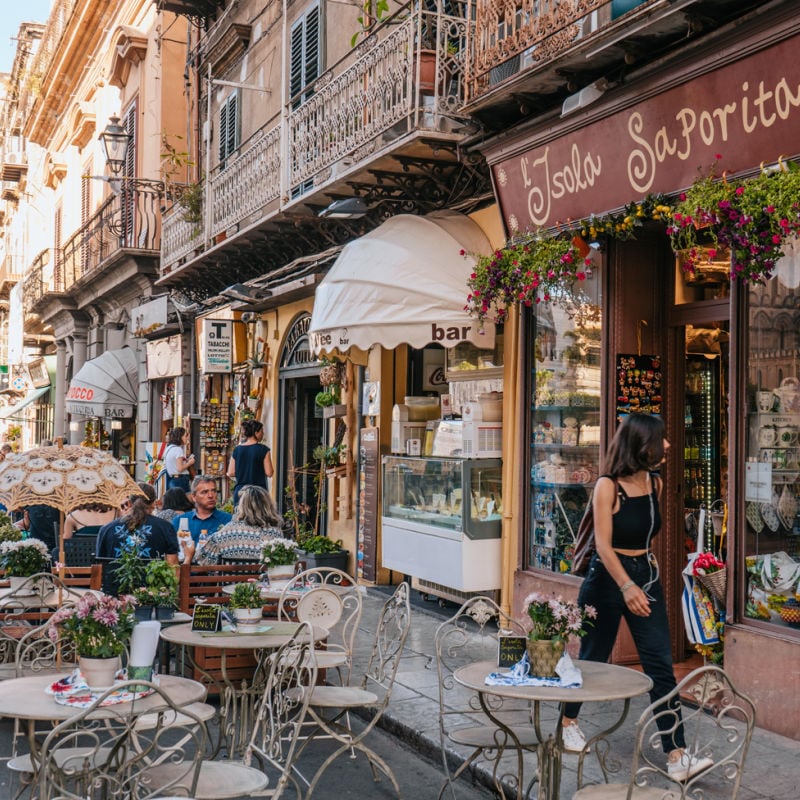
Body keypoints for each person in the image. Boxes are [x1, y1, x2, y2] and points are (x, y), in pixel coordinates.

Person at [561, 414, 712, 782]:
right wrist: (627, 586)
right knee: (594, 657)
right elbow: (602, 545)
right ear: (641, 444)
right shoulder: (607, 487)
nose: (668, 446)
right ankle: (567, 722)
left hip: (645, 578)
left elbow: (646, 534)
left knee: (660, 664)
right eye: (662, 439)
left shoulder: (655, 484)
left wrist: (644, 571)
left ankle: (676, 754)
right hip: (607, 581)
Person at [96, 483, 179, 595]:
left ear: (129, 503)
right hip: (152, 595)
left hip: (115, 595)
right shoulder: (165, 527)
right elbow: (172, 566)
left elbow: (100, 567)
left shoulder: (106, 529)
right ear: (154, 503)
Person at [187, 485, 283, 565]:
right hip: (264, 586)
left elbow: (201, 559)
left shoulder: (226, 532)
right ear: (268, 506)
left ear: (241, 506)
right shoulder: (276, 534)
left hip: (230, 587)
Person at [171, 475, 231, 547]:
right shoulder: (180, 521)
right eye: (205, 492)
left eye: (214, 491)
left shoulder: (228, 520)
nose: (211, 495)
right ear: (194, 497)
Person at [227, 419, 274, 507]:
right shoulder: (263, 449)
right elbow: (269, 473)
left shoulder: (237, 449)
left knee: (240, 519)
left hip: (241, 492)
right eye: (261, 431)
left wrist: (244, 471)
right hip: (258, 493)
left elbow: (230, 472)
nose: (263, 434)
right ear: (256, 432)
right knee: (258, 519)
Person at [163, 427, 195, 493]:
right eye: (185, 436)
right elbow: (180, 468)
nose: (187, 438)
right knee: (184, 501)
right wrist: (190, 463)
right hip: (180, 480)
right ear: (180, 437)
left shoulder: (169, 448)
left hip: (172, 480)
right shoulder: (178, 449)